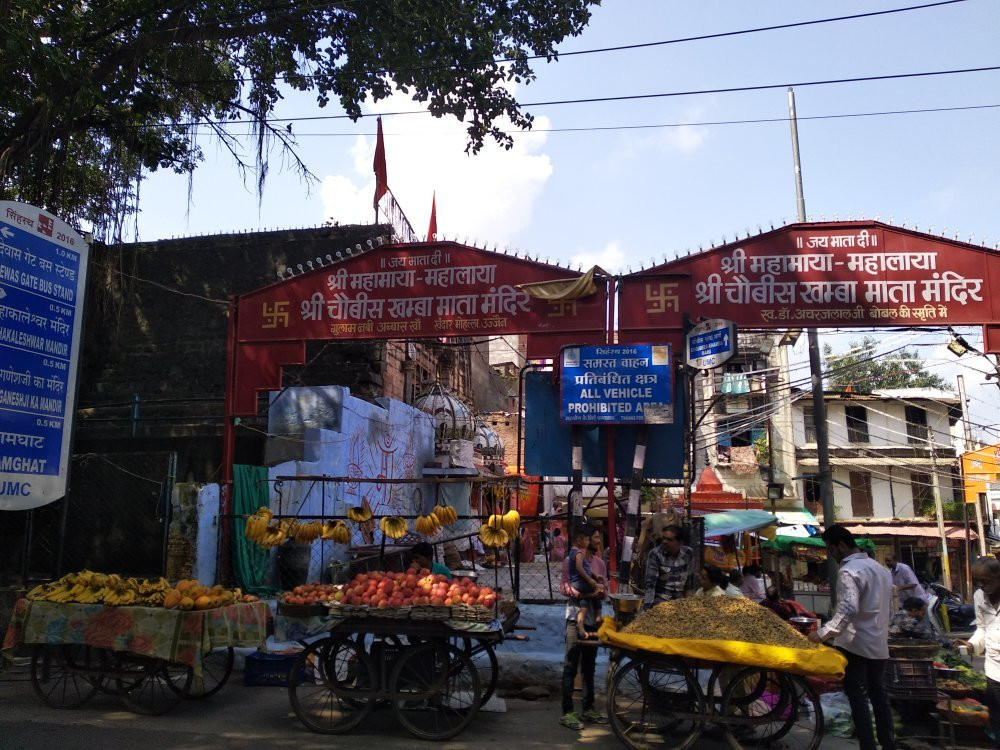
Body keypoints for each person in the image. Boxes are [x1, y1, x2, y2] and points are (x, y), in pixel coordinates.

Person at [808, 525, 895, 750]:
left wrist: (821, 634)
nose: (832, 555)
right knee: (879, 697)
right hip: (878, 644)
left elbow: (848, 609)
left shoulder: (849, 572)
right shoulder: (881, 570)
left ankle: (868, 745)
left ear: (842, 546)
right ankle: (888, 744)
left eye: (832, 549)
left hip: (855, 645)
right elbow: (889, 609)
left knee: (857, 699)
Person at [559, 524, 607, 730]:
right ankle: (567, 712)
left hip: (592, 620)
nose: (595, 541)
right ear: (583, 540)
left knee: (589, 666)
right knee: (571, 665)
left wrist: (600, 591)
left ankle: (588, 708)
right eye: (593, 537)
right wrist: (587, 593)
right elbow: (565, 588)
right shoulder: (570, 561)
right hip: (573, 617)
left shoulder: (599, 564)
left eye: (596, 538)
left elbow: (604, 589)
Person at [956, 556, 1000, 747]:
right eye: (978, 581)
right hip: (994, 669)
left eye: (987, 581)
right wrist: (971, 645)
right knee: (997, 718)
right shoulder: (979, 597)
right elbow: (982, 628)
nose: (982, 585)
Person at [643, 524, 693, 607]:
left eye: (669, 539)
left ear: (679, 543)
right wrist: (648, 607)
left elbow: (690, 579)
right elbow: (650, 584)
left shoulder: (688, 553)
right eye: (664, 538)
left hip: (680, 599)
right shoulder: (656, 554)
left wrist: (689, 601)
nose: (664, 542)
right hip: (661, 598)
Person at [568, 524, 602, 598]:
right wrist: (589, 595)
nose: (599, 541)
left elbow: (605, 593)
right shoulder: (575, 556)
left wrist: (596, 576)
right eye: (596, 537)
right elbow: (566, 588)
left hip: (587, 597)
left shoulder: (600, 563)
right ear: (579, 541)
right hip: (578, 594)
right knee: (599, 587)